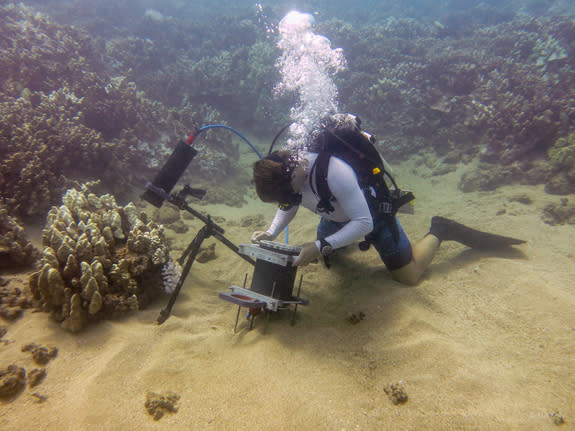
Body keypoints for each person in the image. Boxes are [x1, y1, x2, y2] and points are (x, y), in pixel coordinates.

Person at [251, 114, 524, 286]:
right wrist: (272, 231)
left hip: (372, 218)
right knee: (330, 259)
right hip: (334, 216)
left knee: (409, 276)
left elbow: (363, 222)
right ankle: (330, 243)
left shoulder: (335, 172)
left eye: (288, 195)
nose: (288, 201)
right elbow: (287, 203)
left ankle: (441, 229)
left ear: (292, 177)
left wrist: (320, 244)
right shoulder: (288, 176)